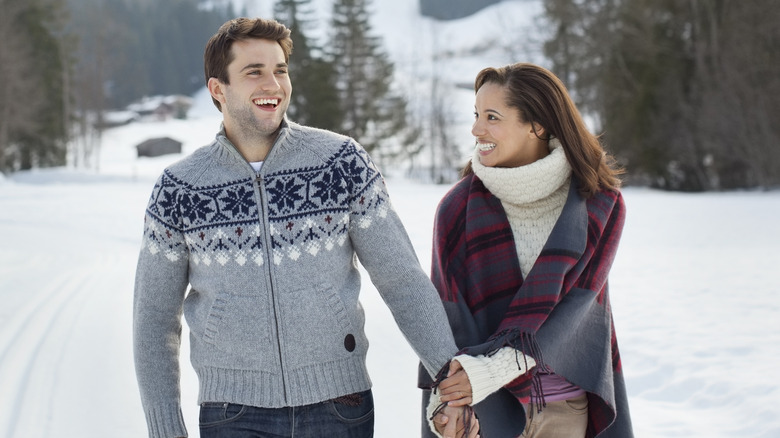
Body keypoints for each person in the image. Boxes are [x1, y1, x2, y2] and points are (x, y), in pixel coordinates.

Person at [133, 17, 478, 438]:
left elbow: (402, 280)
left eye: (280, 70)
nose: (274, 84)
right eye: (254, 71)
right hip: (233, 413)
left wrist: (448, 381)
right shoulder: (180, 189)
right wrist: (165, 429)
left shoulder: (340, 163)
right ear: (218, 89)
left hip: (339, 406)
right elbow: (154, 320)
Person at [423, 63, 634, 438]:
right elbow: (447, 319)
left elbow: (572, 311)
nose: (476, 129)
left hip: (564, 411)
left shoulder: (597, 204)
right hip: (484, 412)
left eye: (492, 117)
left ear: (537, 125)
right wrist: (447, 400)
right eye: (476, 115)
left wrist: (491, 371)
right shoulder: (457, 209)